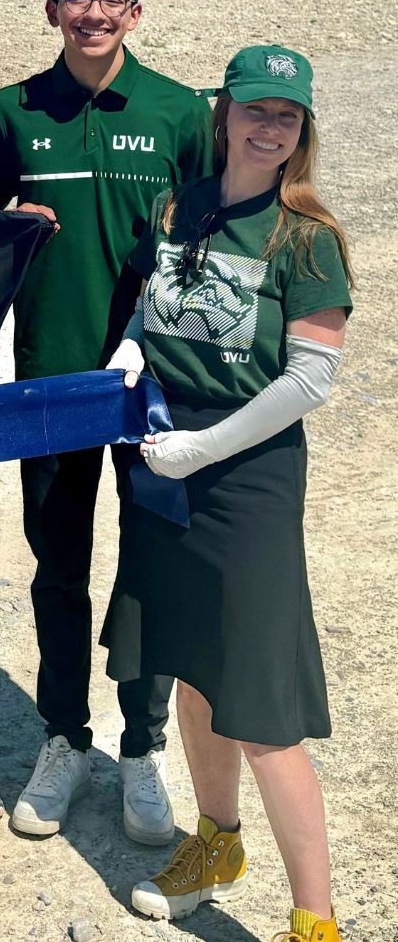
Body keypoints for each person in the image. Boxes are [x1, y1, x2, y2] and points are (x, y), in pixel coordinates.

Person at [0, 0, 212, 843]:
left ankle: (140, 750)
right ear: (52, 9)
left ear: (136, 13)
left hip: (157, 390)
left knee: (149, 571)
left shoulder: (185, 112)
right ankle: (63, 736)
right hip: (54, 384)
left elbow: (215, 246)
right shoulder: (11, 111)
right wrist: (7, 229)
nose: (95, 12)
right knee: (59, 569)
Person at [103, 46, 351, 942]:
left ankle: (314, 921)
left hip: (244, 476)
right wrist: (128, 359)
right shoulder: (182, 203)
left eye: (287, 114)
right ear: (224, 113)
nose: (268, 126)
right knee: (191, 668)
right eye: (255, 108)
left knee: (259, 705)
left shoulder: (308, 236)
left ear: (302, 129)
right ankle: (217, 843)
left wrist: (203, 448)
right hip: (165, 457)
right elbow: (146, 308)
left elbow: (310, 380)